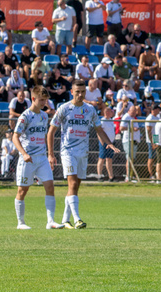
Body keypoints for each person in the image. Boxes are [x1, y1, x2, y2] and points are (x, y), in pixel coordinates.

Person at [48, 80, 120, 229]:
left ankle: (65, 220)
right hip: (68, 151)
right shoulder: (64, 108)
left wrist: (110, 143)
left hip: (83, 152)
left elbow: (99, 130)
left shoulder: (90, 110)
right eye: (77, 91)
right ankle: (77, 219)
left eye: (82, 92)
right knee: (73, 184)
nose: (80, 94)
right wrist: (51, 154)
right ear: (72, 92)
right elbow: (51, 132)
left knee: (74, 187)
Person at [13, 87, 64, 229]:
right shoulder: (25, 116)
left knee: (50, 187)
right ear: (34, 99)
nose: (44, 103)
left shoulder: (44, 115)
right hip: (27, 159)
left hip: (41, 158)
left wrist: (50, 154)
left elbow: (46, 135)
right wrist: (23, 153)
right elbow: (15, 137)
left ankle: (50, 221)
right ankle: (21, 223)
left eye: (46, 100)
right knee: (22, 191)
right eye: (41, 100)